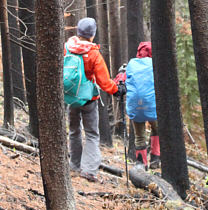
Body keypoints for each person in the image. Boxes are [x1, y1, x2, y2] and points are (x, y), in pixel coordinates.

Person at [64, 17, 125, 182]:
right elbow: (104, 81)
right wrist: (116, 90)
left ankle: (74, 165)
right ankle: (89, 170)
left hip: (71, 97)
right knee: (91, 133)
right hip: (89, 99)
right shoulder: (93, 53)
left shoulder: (67, 48)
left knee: (74, 131)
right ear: (92, 35)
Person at [125, 41, 160, 170]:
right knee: (158, 129)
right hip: (152, 105)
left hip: (135, 106)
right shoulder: (155, 64)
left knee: (139, 135)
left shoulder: (132, 63)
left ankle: (141, 163)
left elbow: (124, 79)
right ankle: (155, 158)